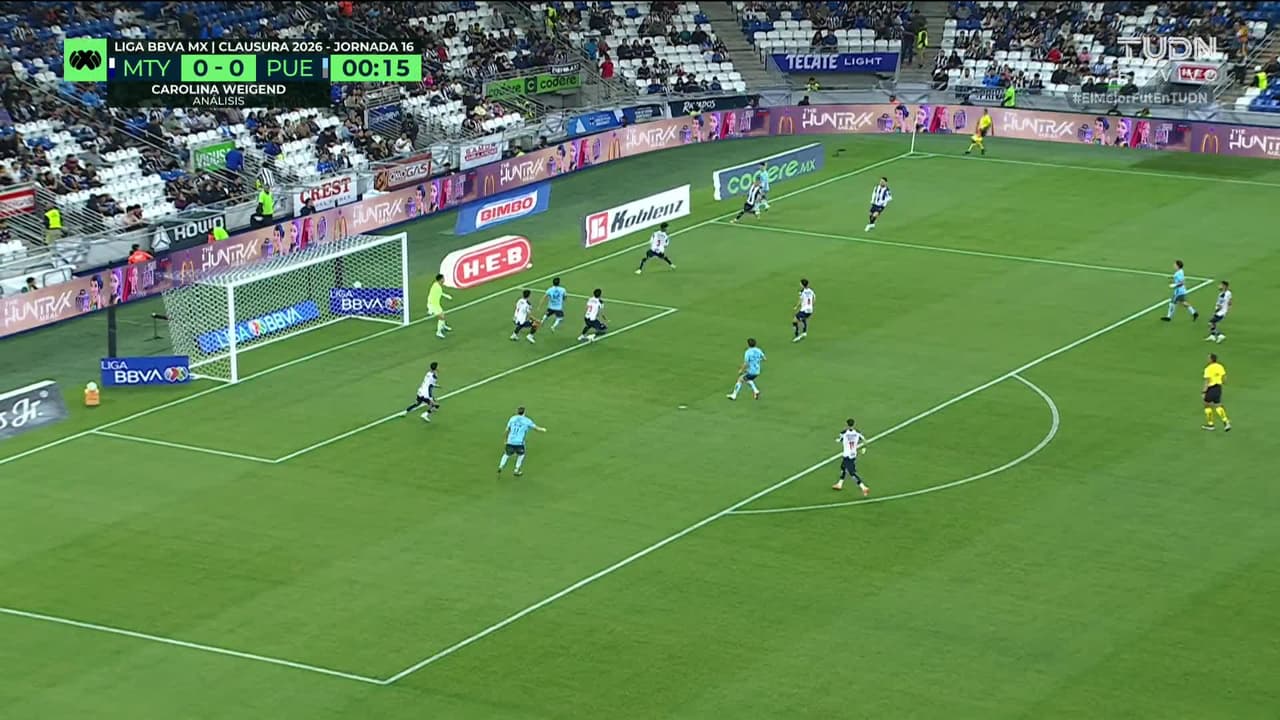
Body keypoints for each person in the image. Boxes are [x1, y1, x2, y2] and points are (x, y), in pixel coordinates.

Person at [498, 406, 548, 477]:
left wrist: (505, 440)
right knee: (521, 455)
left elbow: (507, 430)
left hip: (510, 441)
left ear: (517, 412)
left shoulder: (512, 418)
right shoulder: (527, 420)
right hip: (519, 442)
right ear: (524, 412)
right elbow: (535, 428)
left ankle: (501, 466)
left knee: (506, 454)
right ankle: (516, 470)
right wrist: (542, 429)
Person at [833, 418, 870, 495]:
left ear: (847, 425)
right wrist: (864, 448)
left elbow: (840, 439)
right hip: (853, 454)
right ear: (854, 424)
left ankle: (863, 487)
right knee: (843, 467)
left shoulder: (843, 433)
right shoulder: (857, 432)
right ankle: (839, 484)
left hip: (847, 454)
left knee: (852, 472)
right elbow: (865, 441)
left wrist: (837, 440)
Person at [1201, 353, 1231, 432]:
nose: (1207, 359)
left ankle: (1210, 424)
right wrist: (1223, 382)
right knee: (1218, 405)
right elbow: (1224, 377)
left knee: (1207, 405)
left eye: (1208, 358)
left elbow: (1207, 381)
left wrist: (1204, 391)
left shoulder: (1208, 368)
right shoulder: (1220, 366)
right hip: (1218, 388)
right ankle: (1226, 422)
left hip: (1211, 388)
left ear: (1211, 359)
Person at [428, 273, 454, 338]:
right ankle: (438, 332)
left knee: (442, 315)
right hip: (433, 305)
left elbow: (440, 293)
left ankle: (443, 326)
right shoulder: (436, 287)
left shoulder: (436, 285)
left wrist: (447, 296)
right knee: (441, 317)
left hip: (436, 304)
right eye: (443, 278)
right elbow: (431, 296)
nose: (444, 279)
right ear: (440, 279)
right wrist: (430, 308)